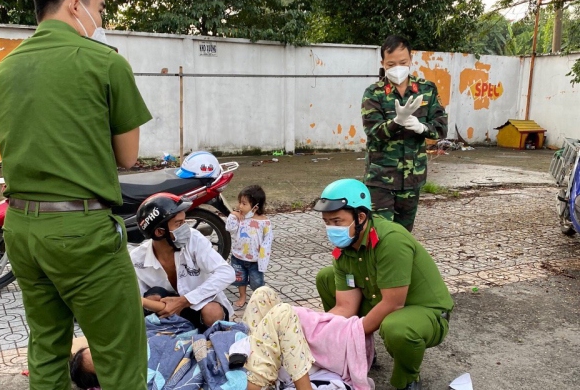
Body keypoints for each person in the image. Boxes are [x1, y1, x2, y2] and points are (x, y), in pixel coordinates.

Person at [0, 0, 152, 390]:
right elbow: (128, 157)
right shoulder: (105, 63)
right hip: (82, 233)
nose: (101, 19)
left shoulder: (1, 73)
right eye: (99, 7)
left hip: (20, 228)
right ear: (76, 5)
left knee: (46, 348)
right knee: (121, 356)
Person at [71, 286, 374, 390]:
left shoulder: (143, 342)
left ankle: (321, 352)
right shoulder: (139, 381)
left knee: (264, 295)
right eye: (102, 362)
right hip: (235, 376)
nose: (112, 355)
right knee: (282, 314)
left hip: (235, 350)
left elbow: (173, 324)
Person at [314, 179, 454, 390]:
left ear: (360, 217)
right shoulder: (345, 248)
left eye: (337, 221)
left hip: (423, 311)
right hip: (381, 300)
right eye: (327, 222)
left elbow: (393, 304)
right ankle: (362, 351)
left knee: (396, 328)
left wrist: (347, 335)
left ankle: (408, 378)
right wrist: (314, 331)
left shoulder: (391, 240)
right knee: (326, 278)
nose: (331, 229)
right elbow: (345, 306)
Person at [361, 35, 448, 231]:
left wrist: (423, 128)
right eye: (391, 64)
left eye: (403, 62)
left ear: (411, 59)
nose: (397, 67)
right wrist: (396, 122)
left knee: (403, 237)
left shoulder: (426, 90)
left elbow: (441, 127)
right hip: (381, 178)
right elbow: (373, 131)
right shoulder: (374, 93)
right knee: (380, 235)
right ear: (383, 62)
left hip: (412, 177)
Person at [132, 193, 235, 332]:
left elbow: (227, 273)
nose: (186, 228)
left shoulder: (194, 239)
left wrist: (184, 301)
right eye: (179, 224)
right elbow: (137, 301)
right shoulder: (138, 259)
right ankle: (170, 336)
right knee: (153, 296)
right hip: (168, 313)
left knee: (212, 312)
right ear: (159, 232)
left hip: (200, 306)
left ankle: (212, 340)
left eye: (184, 221)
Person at [226, 185, 274, 309]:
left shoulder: (265, 222)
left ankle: (258, 299)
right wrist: (232, 215)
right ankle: (242, 296)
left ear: (255, 207)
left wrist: (263, 260)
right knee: (240, 280)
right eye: (239, 203)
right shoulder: (240, 218)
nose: (239, 206)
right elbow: (229, 228)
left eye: (244, 204)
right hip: (238, 256)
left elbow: (267, 241)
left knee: (257, 282)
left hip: (255, 260)